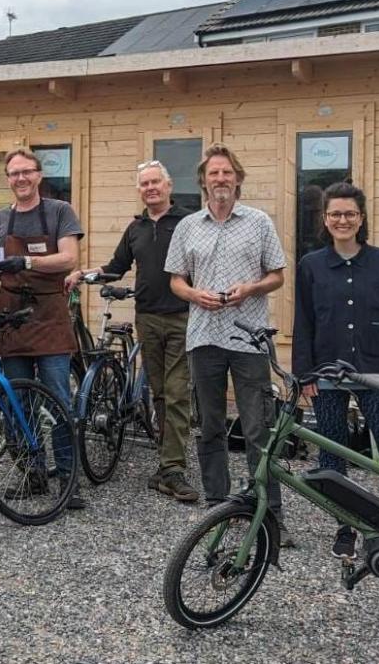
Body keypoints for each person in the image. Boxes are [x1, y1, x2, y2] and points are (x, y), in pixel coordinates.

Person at [164, 143, 293, 545]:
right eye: (213, 173)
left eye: (227, 172)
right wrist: (193, 294)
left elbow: (278, 275)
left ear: (237, 179)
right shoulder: (188, 226)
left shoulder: (258, 222)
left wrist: (251, 287)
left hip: (249, 337)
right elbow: (175, 279)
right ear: (203, 181)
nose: (220, 179)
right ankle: (219, 506)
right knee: (211, 425)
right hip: (204, 336)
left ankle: (269, 513)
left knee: (258, 428)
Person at [292, 181, 379, 560]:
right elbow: (304, 322)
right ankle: (346, 527)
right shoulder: (311, 265)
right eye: (335, 214)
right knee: (332, 455)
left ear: (361, 218)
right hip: (327, 373)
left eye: (350, 213)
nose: (342, 220)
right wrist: (306, 374)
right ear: (325, 219)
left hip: (377, 371)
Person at [65, 160, 198, 503]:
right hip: (148, 317)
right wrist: (86, 274)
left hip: (184, 316)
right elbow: (116, 267)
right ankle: (168, 463)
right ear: (139, 190)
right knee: (158, 392)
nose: (151, 188)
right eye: (144, 184)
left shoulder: (188, 221)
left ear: (168, 186)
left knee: (176, 390)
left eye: (156, 182)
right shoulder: (135, 228)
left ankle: (173, 468)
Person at [0, 148, 86, 510]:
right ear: (8, 179)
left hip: (49, 315)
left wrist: (26, 260)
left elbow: (69, 257)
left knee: (57, 399)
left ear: (39, 176)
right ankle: (32, 473)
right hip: (12, 316)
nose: (20, 179)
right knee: (16, 402)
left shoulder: (60, 212)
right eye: (13, 174)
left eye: (26, 172)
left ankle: (68, 480)